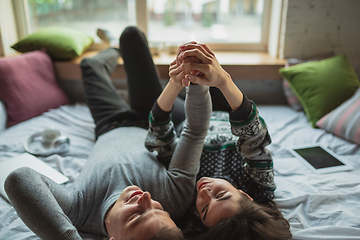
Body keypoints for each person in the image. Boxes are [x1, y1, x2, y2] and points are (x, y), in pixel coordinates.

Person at [4, 26, 212, 240]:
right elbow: (195, 132)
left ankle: (110, 49)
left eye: (137, 216)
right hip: (152, 119)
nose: (146, 198)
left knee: (89, 65)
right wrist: (196, 80)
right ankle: (117, 46)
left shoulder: (78, 209)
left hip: (108, 123)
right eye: (159, 210)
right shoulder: (175, 198)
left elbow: (19, 179)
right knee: (131, 35)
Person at [146, 42, 293, 239]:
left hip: (183, 119)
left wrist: (173, 85)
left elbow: (159, 140)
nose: (205, 193)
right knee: (197, 58)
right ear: (245, 196)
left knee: (133, 40)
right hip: (225, 111)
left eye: (205, 209)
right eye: (221, 195)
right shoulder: (259, 188)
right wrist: (224, 80)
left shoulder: (184, 203)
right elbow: (255, 136)